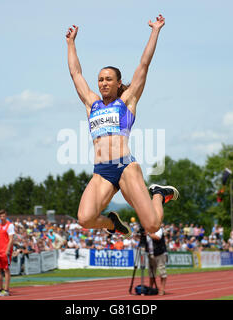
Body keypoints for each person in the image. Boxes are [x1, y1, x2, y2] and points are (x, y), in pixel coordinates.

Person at [66, 14, 179, 240]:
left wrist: (155, 30)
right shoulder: (92, 104)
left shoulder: (126, 101)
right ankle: (112, 223)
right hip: (102, 171)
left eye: (108, 79)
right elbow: (76, 73)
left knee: (152, 226)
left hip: (125, 166)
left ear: (118, 83)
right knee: (85, 219)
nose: (104, 83)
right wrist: (71, 44)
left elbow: (144, 65)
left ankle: (158, 193)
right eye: (100, 79)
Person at [0, 210, 14, 297]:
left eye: (3, 216)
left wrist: (8, 250)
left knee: (6, 270)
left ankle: (6, 290)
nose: (2, 218)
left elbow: (11, 239)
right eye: (0, 216)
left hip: (5, 251)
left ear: (6, 216)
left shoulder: (10, 225)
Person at [146, 227, 168, 295]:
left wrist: (148, 233)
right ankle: (151, 288)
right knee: (151, 272)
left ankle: (162, 289)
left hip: (160, 253)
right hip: (151, 253)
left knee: (162, 271)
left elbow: (157, 237)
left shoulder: (158, 229)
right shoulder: (147, 229)